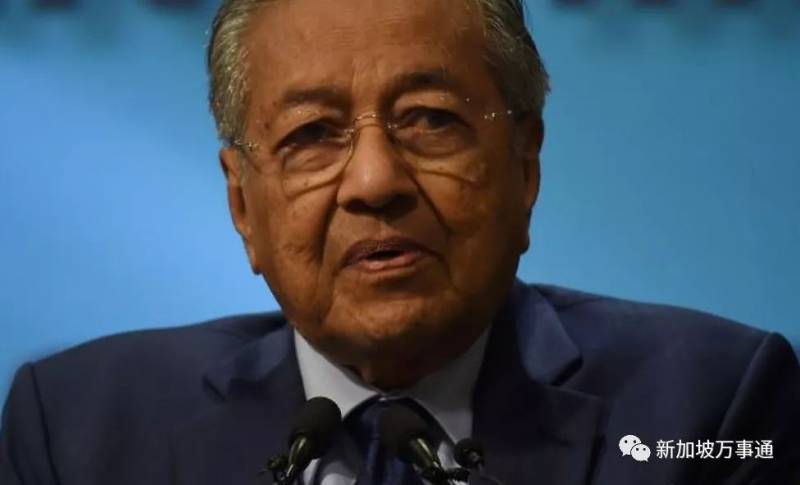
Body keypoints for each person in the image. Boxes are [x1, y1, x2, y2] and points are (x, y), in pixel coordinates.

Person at [2, 0, 799, 484]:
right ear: (242, 204)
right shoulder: (80, 429)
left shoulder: (714, 405)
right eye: (313, 134)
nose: (375, 180)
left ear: (524, 167)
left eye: (430, 119)